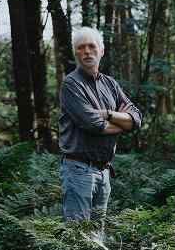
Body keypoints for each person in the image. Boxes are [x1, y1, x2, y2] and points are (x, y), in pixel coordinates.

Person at [59, 26, 142, 224]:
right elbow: (94, 124)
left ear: (101, 50)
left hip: (104, 172)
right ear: (75, 53)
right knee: (78, 238)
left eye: (91, 46)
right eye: (80, 47)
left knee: (97, 235)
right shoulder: (71, 84)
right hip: (78, 171)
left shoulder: (111, 84)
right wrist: (124, 123)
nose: (86, 51)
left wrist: (108, 114)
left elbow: (137, 117)